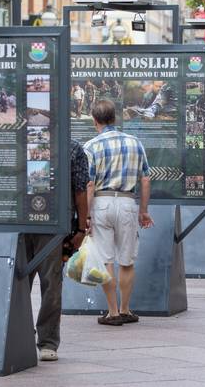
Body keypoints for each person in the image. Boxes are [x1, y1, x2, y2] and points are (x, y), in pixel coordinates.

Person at [83, 99, 154, 326]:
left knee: (106, 260)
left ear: (95, 120)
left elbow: (89, 184)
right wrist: (143, 210)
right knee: (127, 261)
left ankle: (112, 312)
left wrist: (86, 215)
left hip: (101, 203)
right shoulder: (135, 143)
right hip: (126, 202)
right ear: (114, 117)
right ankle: (125, 309)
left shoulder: (91, 146)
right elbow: (145, 179)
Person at [23, 139, 89, 362]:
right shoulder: (71, 147)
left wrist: (80, 227)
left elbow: (81, 189)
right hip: (50, 222)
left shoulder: (24, 141)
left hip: (26, 221)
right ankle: (46, 341)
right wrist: (80, 228)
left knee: (23, 283)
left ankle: (32, 337)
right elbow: (80, 190)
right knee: (51, 282)